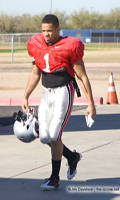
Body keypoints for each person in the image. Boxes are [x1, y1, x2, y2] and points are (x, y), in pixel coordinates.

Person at [22, 14, 96, 191]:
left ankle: (54, 178)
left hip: (64, 91)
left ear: (57, 29)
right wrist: (25, 95)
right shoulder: (37, 44)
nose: (46, 34)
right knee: (44, 137)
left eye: (49, 31)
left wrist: (90, 104)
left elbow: (82, 76)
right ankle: (72, 157)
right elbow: (35, 73)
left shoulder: (69, 46)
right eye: (43, 31)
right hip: (47, 93)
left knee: (55, 135)